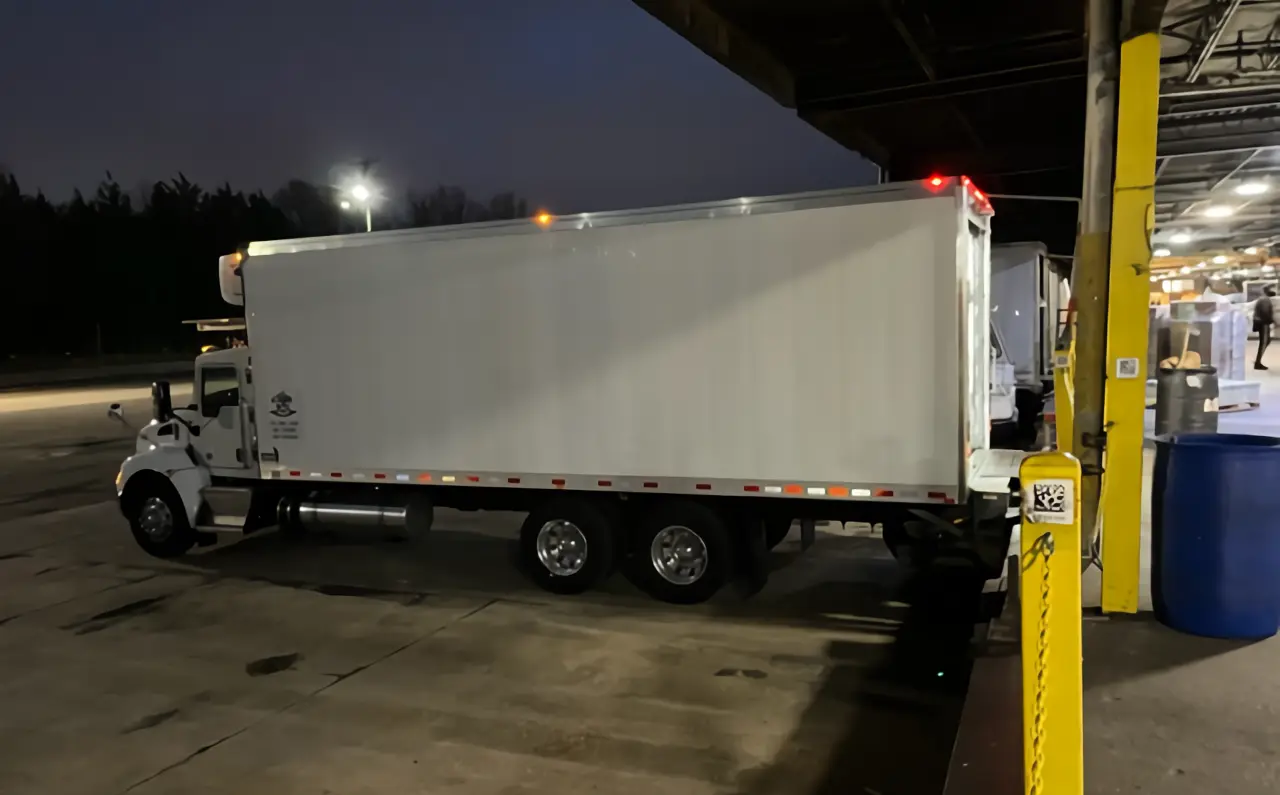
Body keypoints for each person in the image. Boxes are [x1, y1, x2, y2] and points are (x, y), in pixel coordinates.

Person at [1255, 286, 1276, 370]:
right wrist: (1270, 320)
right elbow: (1264, 312)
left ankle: (1258, 361)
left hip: (1262, 322)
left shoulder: (1263, 298)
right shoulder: (1265, 300)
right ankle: (1258, 362)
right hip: (1263, 323)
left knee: (1266, 341)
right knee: (1264, 342)